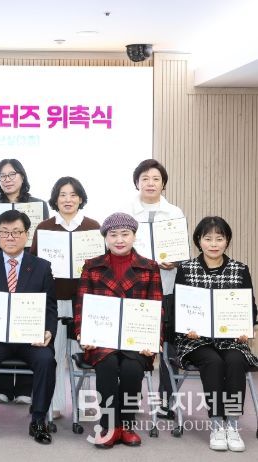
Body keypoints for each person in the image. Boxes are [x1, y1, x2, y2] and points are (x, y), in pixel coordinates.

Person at [74, 212, 163, 449]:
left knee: (132, 369)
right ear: (105, 238)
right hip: (102, 340)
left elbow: (156, 307)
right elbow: (82, 305)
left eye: (125, 234)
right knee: (107, 365)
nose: (119, 240)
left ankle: (127, 425)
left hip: (136, 339)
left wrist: (153, 340)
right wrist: (84, 334)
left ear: (134, 236)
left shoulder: (149, 267)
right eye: (113, 235)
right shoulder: (92, 266)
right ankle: (109, 426)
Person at [0, 210, 58, 444]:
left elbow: (50, 306)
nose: (10, 237)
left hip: (30, 339)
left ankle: (38, 419)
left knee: (46, 360)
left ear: (26, 235)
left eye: (17, 232)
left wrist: (48, 331)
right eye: (5, 232)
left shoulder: (41, 266)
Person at [173, 217, 256, 452]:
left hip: (231, 340)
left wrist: (245, 328)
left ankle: (233, 423)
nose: (213, 244)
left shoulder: (240, 269)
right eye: (207, 238)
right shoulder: (186, 268)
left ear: (227, 241)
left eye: (219, 238)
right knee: (213, 362)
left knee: (235, 360)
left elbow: (249, 307)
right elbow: (179, 306)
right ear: (198, 241)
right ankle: (217, 424)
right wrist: (186, 327)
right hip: (195, 340)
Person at [30, 177, 101, 419]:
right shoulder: (44, 227)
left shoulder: (93, 226)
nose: (68, 199)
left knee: (86, 352)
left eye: (73, 195)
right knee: (56, 353)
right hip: (55, 299)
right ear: (55, 199)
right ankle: (55, 404)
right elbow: (34, 263)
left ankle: (86, 403)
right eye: (62, 195)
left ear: (80, 198)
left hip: (86, 300)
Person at [0, 158, 49, 405]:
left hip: (27, 269)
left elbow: (40, 240)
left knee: (26, 324)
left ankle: (24, 387)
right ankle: (1, 386)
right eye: (3, 176)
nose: (8, 179)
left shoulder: (38, 205)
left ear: (22, 176)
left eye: (12, 174)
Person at [127, 159, 185, 417]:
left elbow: (181, 249)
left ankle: (166, 401)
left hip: (166, 286)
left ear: (163, 184)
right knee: (134, 343)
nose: (150, 183)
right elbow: (116, 246)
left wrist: (175, 260)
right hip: (134, 287)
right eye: (145, 178)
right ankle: (131, 396)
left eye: (156, 179)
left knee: (168, 346)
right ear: (136, 182)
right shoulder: (126, 212)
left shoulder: (175, 213)